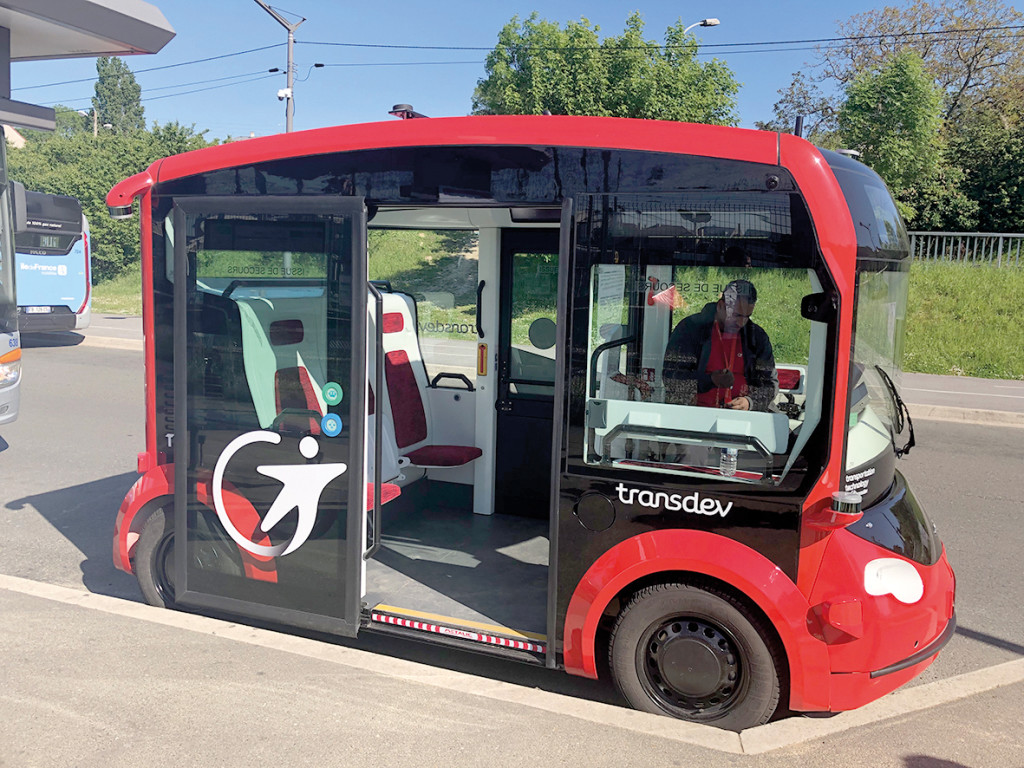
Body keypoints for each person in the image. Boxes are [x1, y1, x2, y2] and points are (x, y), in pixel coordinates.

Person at [662, 279, 777, 411]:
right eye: (736, 315)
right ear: (721, 306)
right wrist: (709, 380)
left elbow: (770, 385)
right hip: (695, 414)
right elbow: (670, 379)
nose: (741, 323)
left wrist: (750, 402)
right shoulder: (690, 329)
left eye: (747, 316)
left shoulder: (757, 336)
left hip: (744, 417)